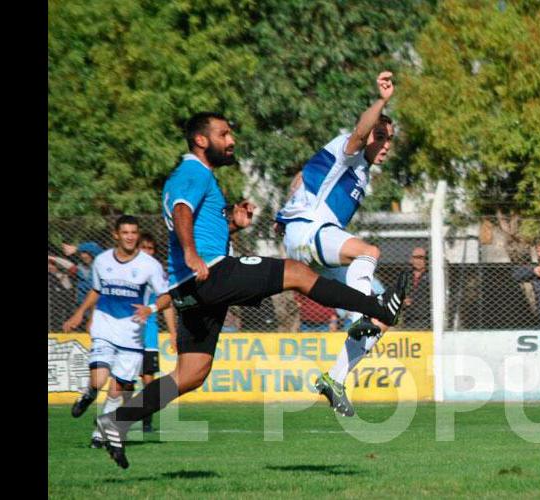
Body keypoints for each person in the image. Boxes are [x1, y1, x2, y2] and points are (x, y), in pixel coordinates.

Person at [94, 112, 408, 469]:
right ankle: (376, 309)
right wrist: (191, 253)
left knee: (191, 373)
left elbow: (194, 221)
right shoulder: (193, 172)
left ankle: (117, 421)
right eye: (224, 134)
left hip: (190, 287)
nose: (232, 141)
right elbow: (181, 211)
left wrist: (232, 225)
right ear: (201, 140)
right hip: (211, 273)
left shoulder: (199, 176)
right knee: (297, 272)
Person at [273, 71, 408, 417]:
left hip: (313, 243)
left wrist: (287, 205)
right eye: (382, 135)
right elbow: (360, 132)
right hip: (308, 232)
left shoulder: (360, 174)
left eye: (390, 138)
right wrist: (382, 100)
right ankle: (363, 309)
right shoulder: (348, 151)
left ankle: (334, 379)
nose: (386, 143)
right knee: (370, 252)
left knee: (382, 320)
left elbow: (302, 181)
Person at [62, 215, 172, 449]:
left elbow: (166, 296)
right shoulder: (102, 261)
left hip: (132, 334)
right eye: (125, 232)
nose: (130, 237)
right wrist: (81, 312)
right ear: (116, 235)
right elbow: (96, 290)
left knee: (117, 390)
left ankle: (99, 434)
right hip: (105, 325)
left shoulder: (149, 265)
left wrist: (150, 308)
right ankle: (89, 393)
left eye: (134, 232)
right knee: (99, 379)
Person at [136, 232, 179, 433]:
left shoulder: (158, 274)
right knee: (123, 380)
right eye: (143, 247)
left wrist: (172, 332)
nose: (147, 252)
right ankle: (117, 418)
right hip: (127, 333)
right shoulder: (128, 269)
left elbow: (167, 304)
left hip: (149, 334)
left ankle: (146, 421)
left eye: (151, 249)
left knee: (148, 379)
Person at [401, 246, 432, 330]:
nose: (418, 261)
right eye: (415, 258)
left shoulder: (431, 276)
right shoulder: (406, 276)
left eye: (421, 258)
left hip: (426, 320)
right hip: (408, 318)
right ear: (411, 259)